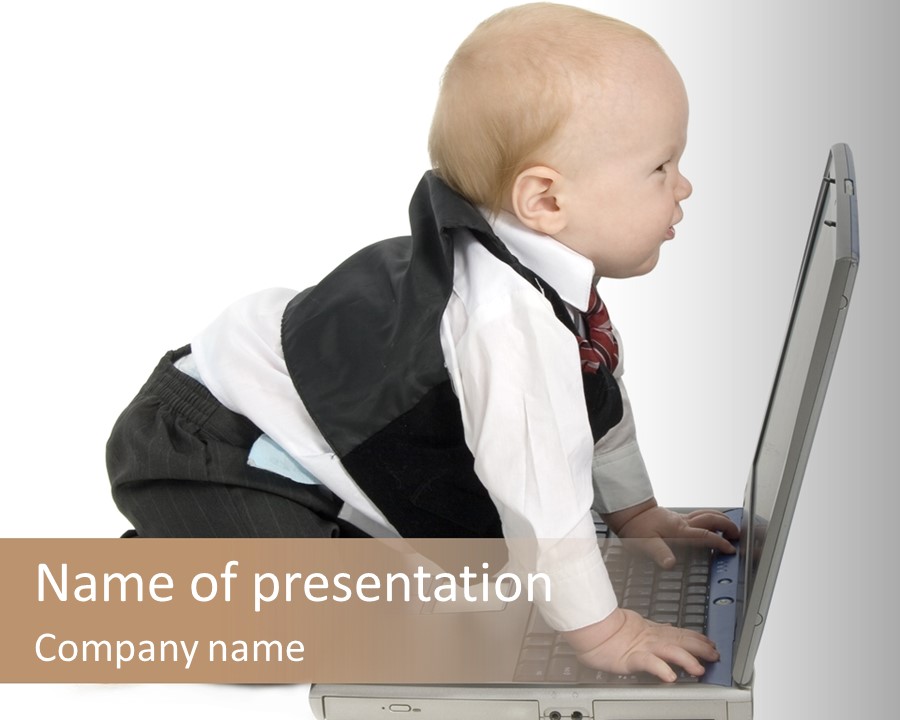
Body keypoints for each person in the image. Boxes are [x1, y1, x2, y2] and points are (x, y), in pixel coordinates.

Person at [106, 2, 739, 682]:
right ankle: (129, 593)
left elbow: (595, 405)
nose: (685, 187)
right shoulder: (503, 319)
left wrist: (636, 514)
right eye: (661, 167)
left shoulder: (543, 277)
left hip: (307, 448)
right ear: (547, 200)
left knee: (432, 594)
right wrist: (603, 630)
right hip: (219, 442)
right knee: (305, 637)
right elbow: (540, 490)